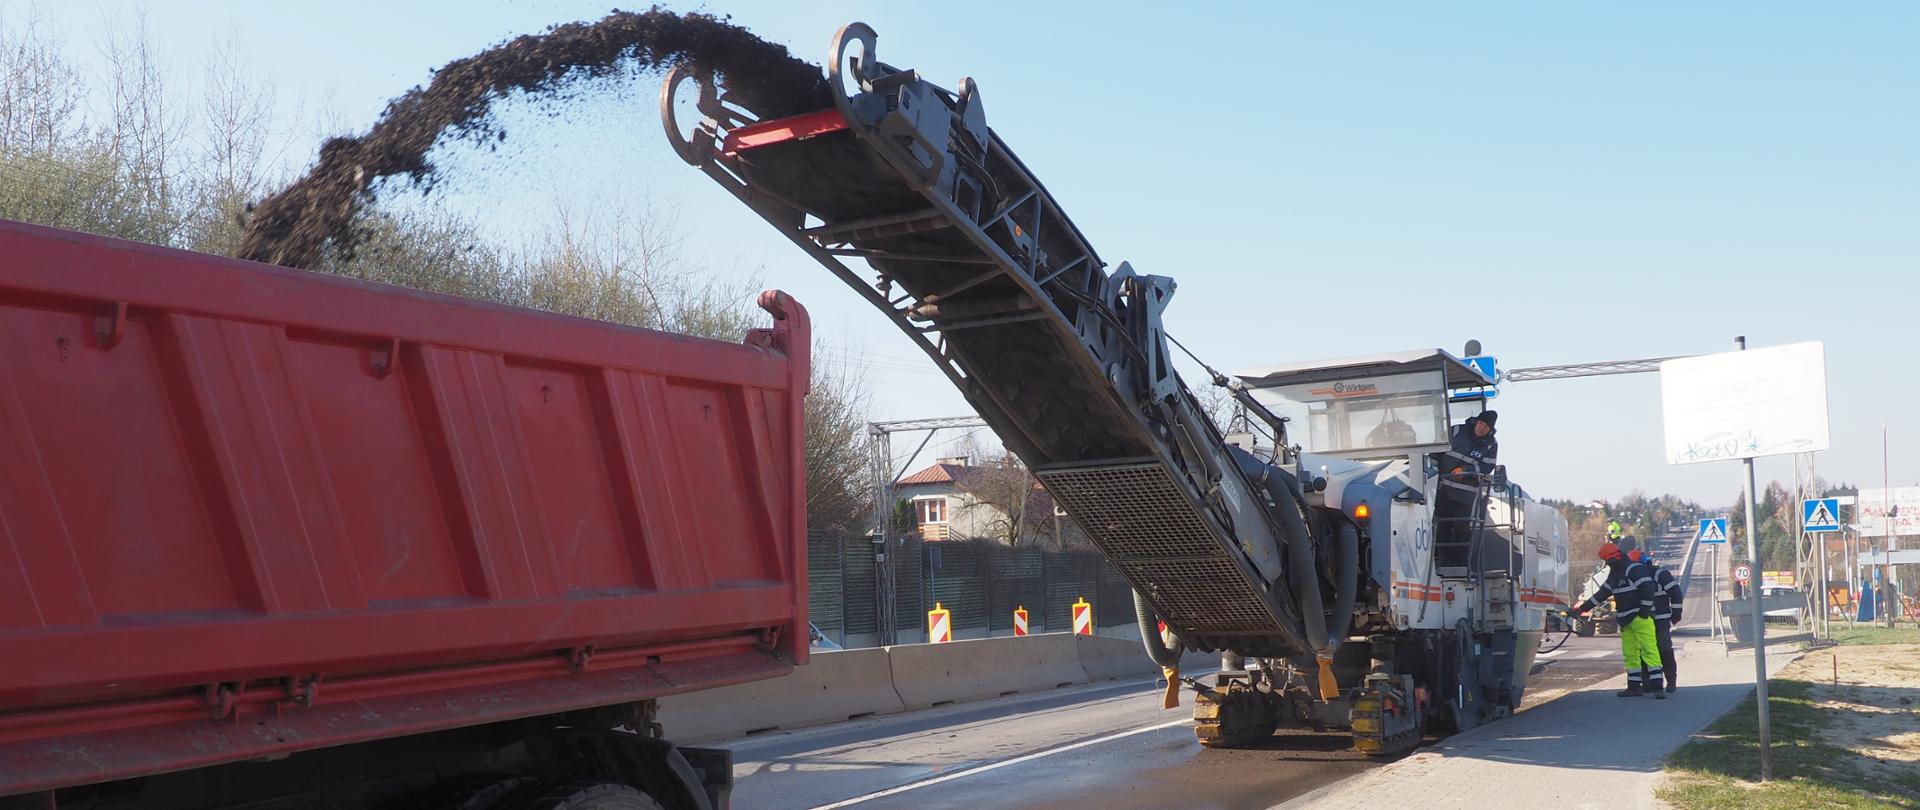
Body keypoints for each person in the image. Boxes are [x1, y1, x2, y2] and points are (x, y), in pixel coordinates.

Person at [1573, 542, 1665, 698]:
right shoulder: (1615, 574)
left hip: (1639, 618)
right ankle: (1634, 687)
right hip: (1626, 620)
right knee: (1630, 654)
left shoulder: (1634, 569)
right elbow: (1602, 594)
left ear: (1613, 558)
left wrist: (1644, 612)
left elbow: (1648, 589)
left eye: (1608, 561)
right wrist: (1582, 608)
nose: (1608, 564)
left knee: (1649, 650)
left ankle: (1657, 687)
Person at [1434, 412, 1499, 561]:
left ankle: (1459, 563)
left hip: (1465, 495)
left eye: (1487, 427)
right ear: (1476, 422)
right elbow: (1436, 452)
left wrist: (1466, 471)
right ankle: (1439, 560)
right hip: (1442, 489)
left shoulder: (1491, 445)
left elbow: (1488, 466)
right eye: (1482, 424)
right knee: (1441, 526)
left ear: (1490, 430)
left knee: (1461, 529)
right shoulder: (1456, 431)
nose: (1483, 428)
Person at [1629, 549, 1684, 693]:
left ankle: (1671, 680)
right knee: (1644, 650)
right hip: (1643, 619)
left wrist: (1676, 613)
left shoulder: (1659, 574)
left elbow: (1675, 593)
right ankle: (1648, 683)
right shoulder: (1632, 577)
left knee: (1664, 648)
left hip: (1660, 619)